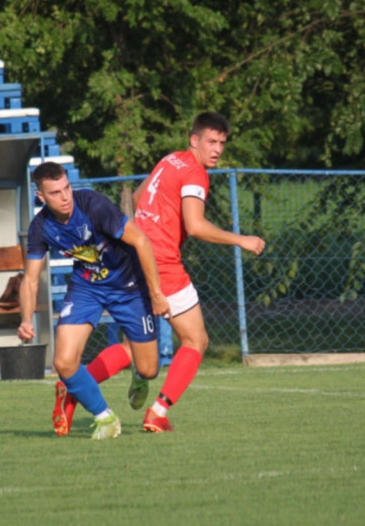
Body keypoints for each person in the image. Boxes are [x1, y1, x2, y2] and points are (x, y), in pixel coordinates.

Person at [133, 111, 266, 432]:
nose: (217, 149)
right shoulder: (195, 173)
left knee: (135, 347)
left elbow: (138, 197)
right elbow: (195, 225)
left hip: (134, 255)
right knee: (195, 340)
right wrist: (241, 240)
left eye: (222, 143)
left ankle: (72, 388)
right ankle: (158, 413)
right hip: (162, 263)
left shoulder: (170, 159)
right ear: (194, 140)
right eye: (211, 141)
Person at [17, 162, 170, 439]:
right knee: (64, 362)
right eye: (55, 193)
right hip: (87, 287)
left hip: (128, 286)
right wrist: (26, 319)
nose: (65, 197)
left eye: (66, 188)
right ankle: (105, 418)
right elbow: (30, 279)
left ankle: (137, 371)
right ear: (41, 196)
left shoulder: (94, 206)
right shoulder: (41, 227)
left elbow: (142, 242)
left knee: (149, 369)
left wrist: (156, 294)